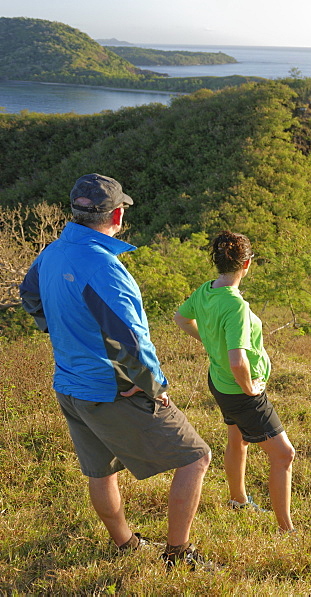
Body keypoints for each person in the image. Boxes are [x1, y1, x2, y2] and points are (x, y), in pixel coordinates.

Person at [19, 173, 214, 571]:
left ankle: (125, 543)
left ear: (75, 210)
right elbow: (131, 342)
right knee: (196, 457)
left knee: (101, 470)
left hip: (70, 386)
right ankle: (179, 555)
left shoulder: (53, 252)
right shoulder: (105, 268)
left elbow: (30, 294)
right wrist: (151, 386)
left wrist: (57, 329)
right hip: (111, 390)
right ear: (118, 214)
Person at [174, 231, 295, 533]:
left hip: (220, 383)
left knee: (237, 439)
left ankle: (238, 500)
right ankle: (286, 529)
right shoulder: (235, 305)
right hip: (239, 391)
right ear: (247, 264)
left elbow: (180, 317)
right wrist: (250, 388)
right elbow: (237, 360)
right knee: (284, 455)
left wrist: (209, 338)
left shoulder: (206, 291)